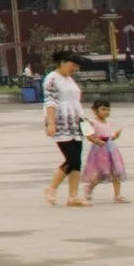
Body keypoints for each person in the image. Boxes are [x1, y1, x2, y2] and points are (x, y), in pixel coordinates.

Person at [43, 52, 86, 207]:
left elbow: (75, 101)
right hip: (61, 122)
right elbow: (50, 101)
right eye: (72, 65)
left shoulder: (69, 79)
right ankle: (51, 188)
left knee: (77, 161)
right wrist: (51, 123)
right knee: (71, 159)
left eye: (76, 66)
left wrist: (84, 120)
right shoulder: (52, 78)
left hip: (75, 121)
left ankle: (73, 196)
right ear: (62, 62)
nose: (74, 69)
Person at [82, 98, 126, 203]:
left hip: (111, 150)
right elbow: (89, 135)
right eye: (103, 109)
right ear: (95, 110)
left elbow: (110, 137)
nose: (106, 112)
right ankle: (90, 187)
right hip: (100, 151)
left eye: (108, 109)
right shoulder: (93, 123)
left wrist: (115, 136)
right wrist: (96, 140)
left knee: (116, 171)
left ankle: (117, 195)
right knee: (101, 173)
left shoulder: (107, 123)